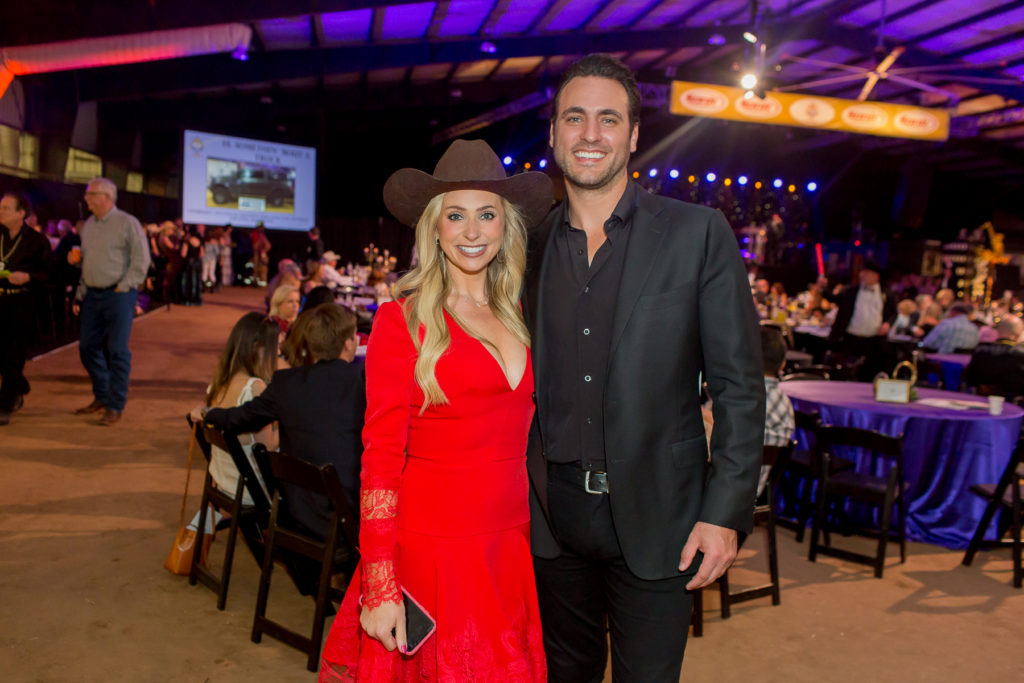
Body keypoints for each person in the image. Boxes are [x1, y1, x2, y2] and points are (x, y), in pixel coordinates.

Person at [522, 54, 764, 682]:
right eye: (575, 118)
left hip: (663, 519)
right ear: (553, 134)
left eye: (609, 119)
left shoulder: (697, 233)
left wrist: (724, 513)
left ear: (633, 135)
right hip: (552, 518)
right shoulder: (531, 244)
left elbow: (739, 387)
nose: (591, 134)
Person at [319, 138, 553, 681]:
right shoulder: (401, 323)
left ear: (505, 226)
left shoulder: (523, 313)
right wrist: (378, 583)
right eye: (456, 215)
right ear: (435, 226)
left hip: (510, 548)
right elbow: (379, 460)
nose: (472, 231)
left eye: (487, 214)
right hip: (433, 553)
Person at [193, 303, 364, 594]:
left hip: (295, 516)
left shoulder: (287, 383)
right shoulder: (365, 380)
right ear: (349, 342)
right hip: (349, 523)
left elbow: (238, 418)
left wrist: (207, 413)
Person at [72, 177, 151, 426]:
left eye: (90, 194)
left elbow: (142, 258)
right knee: (87, 348)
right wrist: (81, 290)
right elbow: (87, 262)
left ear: (106, 197)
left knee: (117, 351)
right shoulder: (89, 226)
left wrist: (125, 286)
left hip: (118, 294)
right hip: (92, 294)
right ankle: (103, 395)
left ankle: (115, 405)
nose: (86, 198)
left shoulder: (127, 222)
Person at [201, 312, 280, 506]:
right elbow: (266, 449)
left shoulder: (218, 382)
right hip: (252, 491)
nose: (277, 352)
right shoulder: (254, 388)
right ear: (257, 349)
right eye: (275, 346)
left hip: (224, 481)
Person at [0, 192, 52, 426]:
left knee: (14, 355)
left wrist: (28, 277)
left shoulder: (36, 241)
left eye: (6, 209)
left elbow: (48, 274)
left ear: (21, 214)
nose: (1, 212)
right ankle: (19, 384)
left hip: (22, 303)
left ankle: (5, 404)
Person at [829, 261, 895, 380]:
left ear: (876, 276)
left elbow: (893, 313)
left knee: (869, 374)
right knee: (846, 373)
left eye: (867, 273)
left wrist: (887, 324)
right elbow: (834, 298)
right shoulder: (851, 292)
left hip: (874, 341)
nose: (863, 275)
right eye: (862, 272)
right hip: (851, 339)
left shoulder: (887, 294)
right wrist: (823, 287)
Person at [760, 326, 795, 497]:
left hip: (721, 491)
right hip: (755, 491)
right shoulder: (784, 404)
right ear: (782, 365)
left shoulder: (739, 397)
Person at [964, 315, 1024, 398]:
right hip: (1014, 404)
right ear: (1019, 333)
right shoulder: (1020, 354)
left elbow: (970, 380)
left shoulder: (980, 351)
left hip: (981, 400)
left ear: (998, 331)